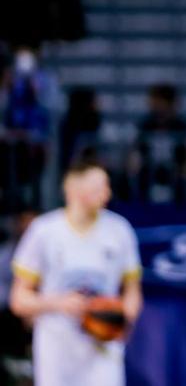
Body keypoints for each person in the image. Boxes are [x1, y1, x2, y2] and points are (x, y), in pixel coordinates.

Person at [9, 161, 143, 386]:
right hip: (56, 346)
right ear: (75, 191)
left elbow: (132, 291)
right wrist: (58, 303)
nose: (107, 193)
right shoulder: (44, 231)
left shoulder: (119, 230)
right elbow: (18, 300)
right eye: (99, 187)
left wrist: (124, 320)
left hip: (102, 346)